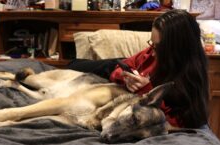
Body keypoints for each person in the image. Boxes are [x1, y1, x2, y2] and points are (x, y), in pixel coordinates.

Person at [68, 9, 209, 129]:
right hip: (113, 68)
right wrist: (125, 77)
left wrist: (147, 91)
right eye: (151, 44)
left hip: (118, 83)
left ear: (177, 49)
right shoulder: (154, 52)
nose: (152, 52)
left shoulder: (190, 77)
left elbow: (182, 122)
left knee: (74, 69)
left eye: (158, 47)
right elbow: (123, 65)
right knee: (74, 65)